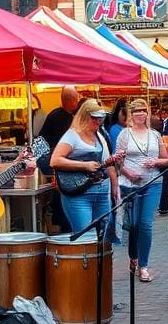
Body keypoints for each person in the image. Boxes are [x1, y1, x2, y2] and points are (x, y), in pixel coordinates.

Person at [49, 98, 122, 234]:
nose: (98, 121)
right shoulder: (72, 136)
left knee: (104, 235)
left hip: (101, 191)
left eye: (101, 118)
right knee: (85, 235)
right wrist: (84, 165)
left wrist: (114, 185)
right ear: (84, 116)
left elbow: (108, 162)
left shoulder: (99, 136)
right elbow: (55, 160)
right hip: (79, 193)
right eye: (94, 118)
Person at [115, 98, 168, 282]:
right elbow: (118, 161)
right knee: (134, 225)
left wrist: (155, 162)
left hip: (153, 182)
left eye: (143, 111)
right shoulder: (124, 134)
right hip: (131, 185)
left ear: (147, 113)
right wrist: (128, 172)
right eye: (137, 111)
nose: (140, 114)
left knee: (146, 224)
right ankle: (133, 257)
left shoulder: (154, 134)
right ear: (131, 113)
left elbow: (166, 159)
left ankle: (143, 265)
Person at [37, 85, 80, 232]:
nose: (78, 100)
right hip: (57, 167)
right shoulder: (58, 117)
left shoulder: (63, 115)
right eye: (76, 98)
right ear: (71, 100)